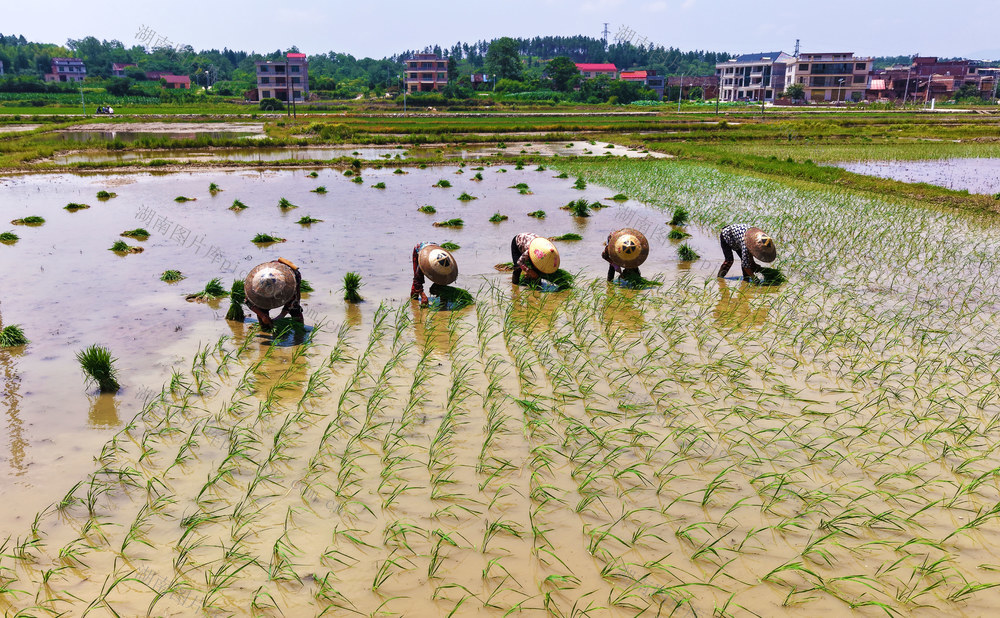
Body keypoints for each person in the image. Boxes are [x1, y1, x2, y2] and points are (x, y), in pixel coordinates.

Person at [243, 257, 303, 331]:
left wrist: (281, 316)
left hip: (289, 275)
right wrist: (262, 316)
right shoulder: (253, 284)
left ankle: (300, 329)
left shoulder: (291, 283)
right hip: (270, 270)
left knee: (295, 308)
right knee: (261, 307)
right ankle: (265, 329)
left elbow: (292, 301)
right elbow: (247, 301)